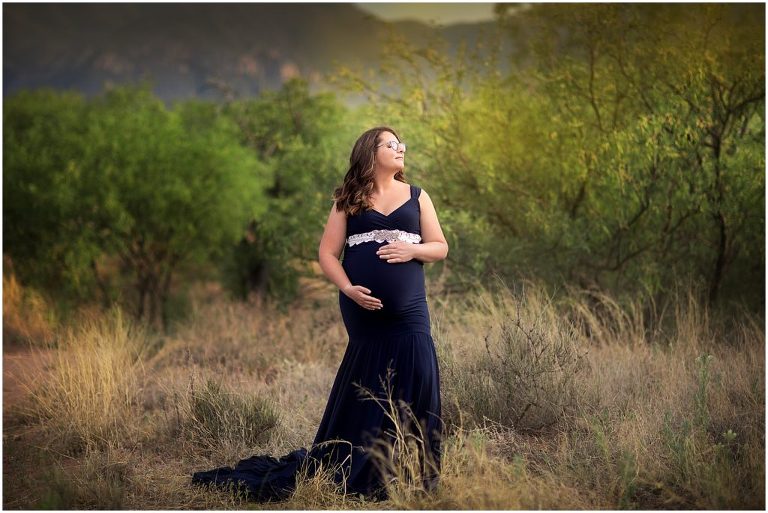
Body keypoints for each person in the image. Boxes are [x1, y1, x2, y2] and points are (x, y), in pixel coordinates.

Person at [191, 126, 448, 502]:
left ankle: (416, 471)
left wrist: (413, 251)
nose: (401, 148)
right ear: (370, 153)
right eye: (391, 144)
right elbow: (327, 253)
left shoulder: (417, 196)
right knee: (369, 382)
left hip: (411, 311)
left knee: (419, 372)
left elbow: (440, 246)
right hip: (362, 310)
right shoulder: (349, 199)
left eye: (401, 143)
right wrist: (347, 289)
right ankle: (364, 467)